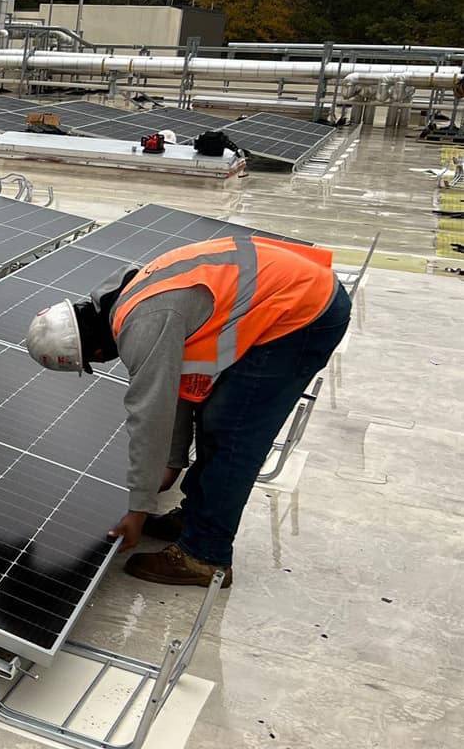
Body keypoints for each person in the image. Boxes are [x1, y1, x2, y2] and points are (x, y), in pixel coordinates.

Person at [24, 235, 350, 587]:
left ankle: (205, 555)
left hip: (302, 314)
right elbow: (176, 387)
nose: (101, 362)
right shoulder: (122, 295)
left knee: (232, 432)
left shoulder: (144, 324)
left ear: (95, 350)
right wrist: (172, 462)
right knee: (215, 417)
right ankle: (196, 518)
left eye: (92, 361)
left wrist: (139, 507)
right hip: (296, 292)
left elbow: (151, 415)